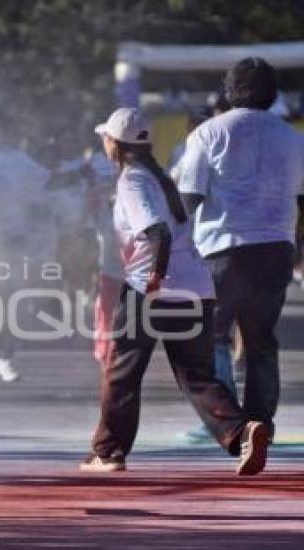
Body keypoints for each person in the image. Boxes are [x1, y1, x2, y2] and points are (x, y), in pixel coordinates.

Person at [81, 107, 268, 476]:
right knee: (197, 375)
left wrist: (154, 277)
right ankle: (242, 430)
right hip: (196, 287)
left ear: (114, 143)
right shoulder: (159, 176)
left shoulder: (132, 181)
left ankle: (109, 452)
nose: (102, 142)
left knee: (121, 372)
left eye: (105, 137)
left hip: (153, 290)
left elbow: (156, 233)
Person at [177, 58, 304, 443]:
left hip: (223, 250)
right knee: (261, 337)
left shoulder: (208, 134)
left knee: (210, 337)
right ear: (272, 94)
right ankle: (261, 419)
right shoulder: (293, 137)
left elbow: (189, 198)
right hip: (276, 249)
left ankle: (229, 422)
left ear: (229, 91)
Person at [0, 109, 52, 383]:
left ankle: (4, 357)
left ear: (4, 135)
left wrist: (81, 172)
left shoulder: (17, 160)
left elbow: (48, 180)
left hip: (11, 243)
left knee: (7, 300)